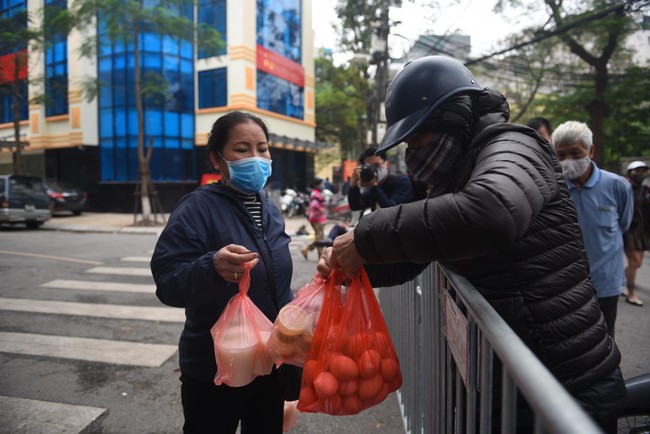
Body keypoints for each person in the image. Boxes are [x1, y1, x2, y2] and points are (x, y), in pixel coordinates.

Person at [317, 56, 627, 432]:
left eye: (418, 138)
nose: (412, 155)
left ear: (453, 117)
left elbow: (491, 212)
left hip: (564, 382)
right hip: (507, 379)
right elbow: (421, 249)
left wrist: (367, 236)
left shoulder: (515, 146)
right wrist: (353, 265)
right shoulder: (455, 173)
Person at [151, 111, 294, 434]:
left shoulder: (269, 208)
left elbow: (275, 283)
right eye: (242, 150)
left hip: (268, 363)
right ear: (217, 159)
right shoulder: (196, 208)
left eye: (263, 148)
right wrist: (211, 267)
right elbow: (167, 282)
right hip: (215, 367)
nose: (256, 158)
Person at [552, 121, 634, 336]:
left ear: (591, 150)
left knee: (605, 340)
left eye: (575, 153)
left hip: (606, 283)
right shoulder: (553, 189)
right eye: (561, 156)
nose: (568, 161)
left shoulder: (617, 186)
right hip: (567, 286)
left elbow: (623, 225)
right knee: (573, 342)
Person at [347, 146, 416, 213]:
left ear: (387, 164)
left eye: (377, 165)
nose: (373, 170)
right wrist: (353, 186)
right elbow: (355, 206)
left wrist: (374, 186)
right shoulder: (372, 185)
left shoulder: (402, 181)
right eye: (369, 167)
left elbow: (392, 210)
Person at [623, 160, 650, 306]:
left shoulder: (646, 191)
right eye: (637, 171)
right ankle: (631, 293)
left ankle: (621, 280)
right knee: (635, 262)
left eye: (643, 172)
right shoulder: (625, 188)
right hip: (629, 230)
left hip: (642, 231)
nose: (640, 175)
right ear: (629, 173)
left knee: (637, 263)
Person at [301, 178, 328, 260]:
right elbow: (314, 205)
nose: (323, 186)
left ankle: (306, 249)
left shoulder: (318, 193)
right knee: (320, 239)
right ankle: (321, 258)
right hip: (317, 219)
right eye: (321, 184)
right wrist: (321, 210)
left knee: (319, 238)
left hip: (319, 219)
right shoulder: (315, 194)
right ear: (317, 185)